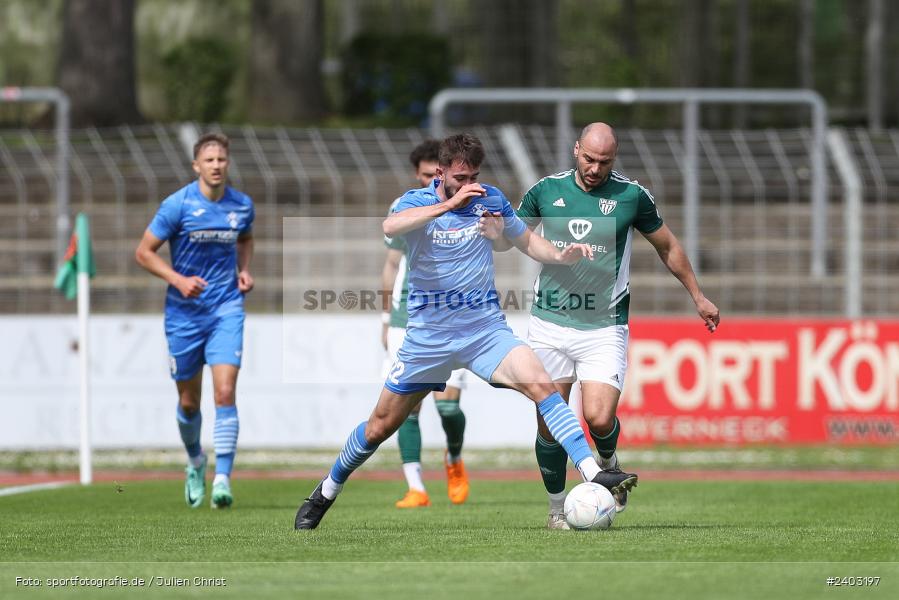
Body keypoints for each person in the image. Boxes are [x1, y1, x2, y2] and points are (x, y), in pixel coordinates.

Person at [295, 133, 638, 530]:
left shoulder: (490, 199)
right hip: (429, 338)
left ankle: (593, 472)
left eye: (474, 176)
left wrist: (559, 255)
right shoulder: (416, 202)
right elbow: (390, 226)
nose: (469, 185)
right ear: (440, 173)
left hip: (484, 331)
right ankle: (326, 491)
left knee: (541, 384)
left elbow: (527, 241)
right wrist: (448, 205)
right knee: (379, 427)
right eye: (460, 178)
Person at [495, 122, 720, 529]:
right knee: (549, 423)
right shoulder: (546, 190)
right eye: (589, 159)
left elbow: (668, 246)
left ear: (614, 159)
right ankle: (556, 509)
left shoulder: (631, 196)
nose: (595, 168)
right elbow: (512, 236)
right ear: (575, 150)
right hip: (549, 322)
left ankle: (609, 463)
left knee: (598, 418)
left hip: (604, 325)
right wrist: (492, 230)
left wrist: (698, 296)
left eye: (604, 161)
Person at [135, 133, 255, 509]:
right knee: (189, 402)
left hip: (226, 309)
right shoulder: (178, 205)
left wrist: (244, 270)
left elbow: (245, 238)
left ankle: (222, 479)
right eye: (209, 160)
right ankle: (195, 461)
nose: (216, 165)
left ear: (228, 163)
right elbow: (144, 252)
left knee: (225, 393)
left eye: (221, 159)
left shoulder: (241, 205)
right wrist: (178, 280)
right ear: (196, 166)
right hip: (184, 314)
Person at [381, 140, 470, 509]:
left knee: (448, 407)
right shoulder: (404, 207)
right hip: (407, 318)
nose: (430, 179)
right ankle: (416, 486)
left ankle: (454, 457)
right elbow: (392, 264)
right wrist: (385, 318)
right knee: (406, 407)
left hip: (453, 317)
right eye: (423, 174)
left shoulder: (467, 203)